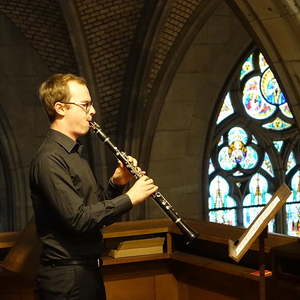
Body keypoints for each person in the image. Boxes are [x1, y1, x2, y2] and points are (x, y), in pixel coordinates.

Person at [30, 73, 158, 300]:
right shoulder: (49, 159)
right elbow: (79, 220)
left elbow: (95, 209)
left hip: (86, 272)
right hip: (67, 279)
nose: (93, 111)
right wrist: (131, 198)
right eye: (85, 104)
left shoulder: (74, 154)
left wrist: (116, 183)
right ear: (60, 108)